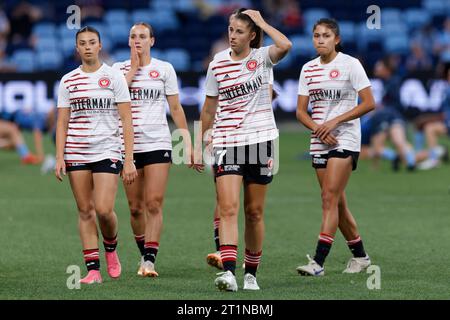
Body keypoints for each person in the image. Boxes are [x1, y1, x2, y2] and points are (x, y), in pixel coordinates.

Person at [198, 8, 291, 291]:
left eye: (239, 31)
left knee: (254, 212)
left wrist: (262, 22)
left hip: (261, 140)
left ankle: (251, 274)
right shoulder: (217, 64)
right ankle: (228, 272)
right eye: (230, 30)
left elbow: (286, 45)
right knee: (228, 208)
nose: (233, 36)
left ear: (252, 35)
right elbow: (209, 107)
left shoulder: (262, 58)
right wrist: (199, 141)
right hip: (227, 142)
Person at [55, 26, 137, 284]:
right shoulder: (68, 80)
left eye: (92, 42)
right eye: (83, 43)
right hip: (76, 150)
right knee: (85, 210)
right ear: (77, 48)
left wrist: (130, 158)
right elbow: (62, 122)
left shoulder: (113, 77)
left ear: (100, 46)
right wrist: (59, 156)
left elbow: (126, 119)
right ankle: (92, 269)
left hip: (107, 150)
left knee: (103, 209)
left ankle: (111, 248)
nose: (88, 46)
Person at [112, 22, 195, 277]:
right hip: (127, 145)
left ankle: (149, 259)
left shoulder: (164, 69)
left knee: (154, 203)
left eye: (143, 36)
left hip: (158, 141)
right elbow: (112, 101)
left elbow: (177, 108)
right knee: (135, 207)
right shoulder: (117, 70)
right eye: (133, 37)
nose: (138, 41)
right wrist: (134, 69)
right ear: (128, 41)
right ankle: (143, 252)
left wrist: (188, 142)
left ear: (152, 41)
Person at [296, 18, 374, 276]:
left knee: (328, 198)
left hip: (345, 139)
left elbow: (368, 103)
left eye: (326, 35)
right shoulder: (307, 69)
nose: (320, 40)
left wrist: (335, 121)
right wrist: (318, 128)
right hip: (320, 141)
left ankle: (318, 262)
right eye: (316, 35)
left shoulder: (351, 64)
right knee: (337, 203)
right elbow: (300, 111)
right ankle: (361, 257)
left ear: (336, 39)